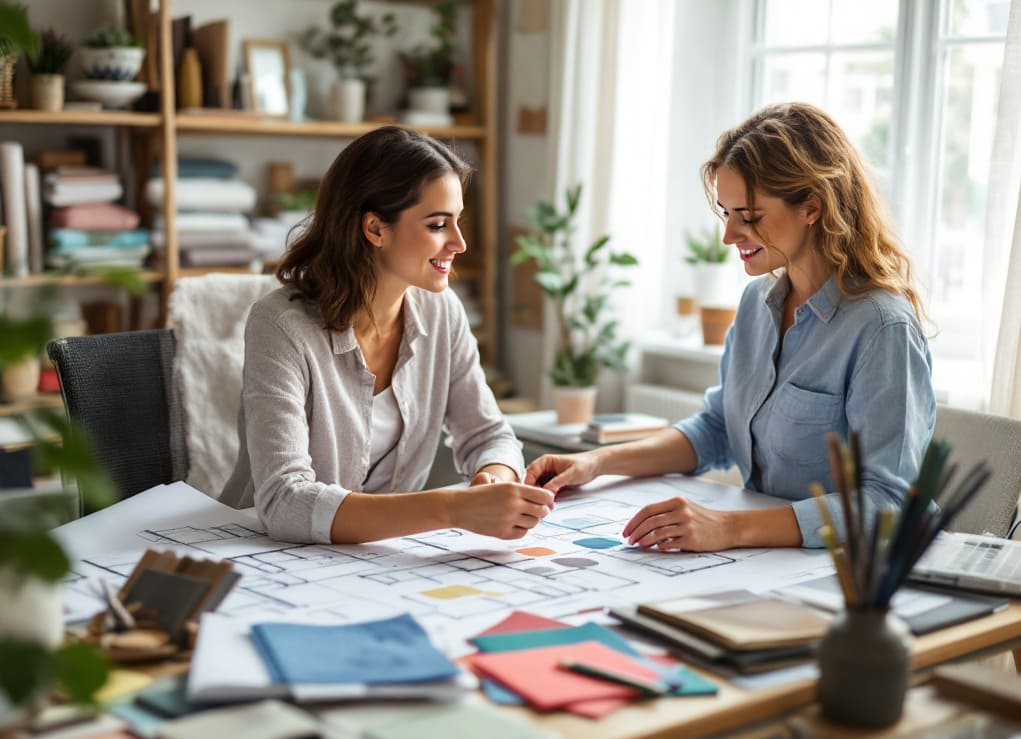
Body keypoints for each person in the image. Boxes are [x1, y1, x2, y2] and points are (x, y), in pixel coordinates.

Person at [525, 102, 935, 551]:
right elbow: (718, 428)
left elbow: (887, 504)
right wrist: (596, 463)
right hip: (765, 560)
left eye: (750, 216)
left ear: (812, 207)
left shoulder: (882, 329)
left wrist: (727, 528)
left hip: (844, 573)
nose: (729, 235)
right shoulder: (757, 303)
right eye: (727, 213)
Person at [221, 126, 554, 544]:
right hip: (262, 554)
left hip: (384, 557)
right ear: (376, 229)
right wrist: (453, 509)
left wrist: (494, 480)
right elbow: (285, 501)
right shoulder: (280, 326)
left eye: (458, 222)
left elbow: (489, 435)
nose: (460, 243)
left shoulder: (442, 312)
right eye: (438, 224)